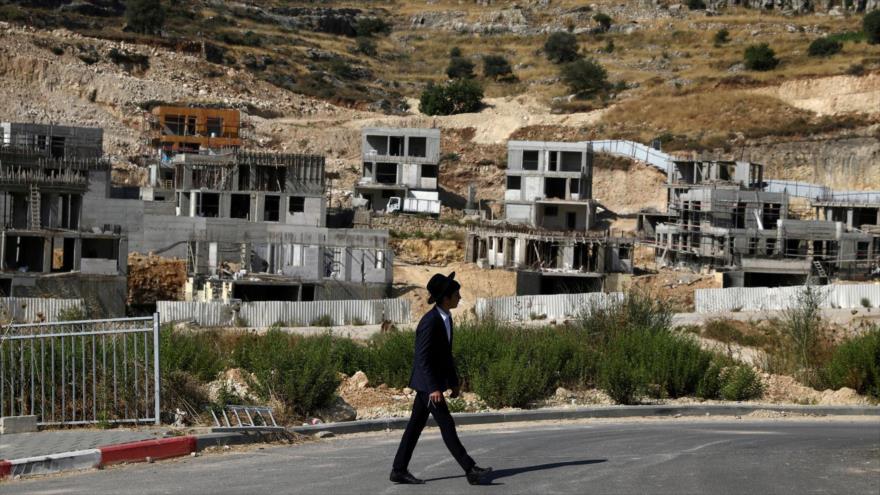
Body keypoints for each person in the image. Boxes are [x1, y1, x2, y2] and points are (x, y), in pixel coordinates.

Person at [390, 272, 492, 486]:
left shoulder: (445, 318)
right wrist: (434, 388)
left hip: (431, 384)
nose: (460, 297)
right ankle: (470, 469)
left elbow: (445, 355)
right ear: (446, 298)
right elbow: (423, 358)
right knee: (447, 425)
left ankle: (398, 470)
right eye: (456, 294)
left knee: (414, 427)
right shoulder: (430, 322)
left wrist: (453, 382)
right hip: (429, 386)